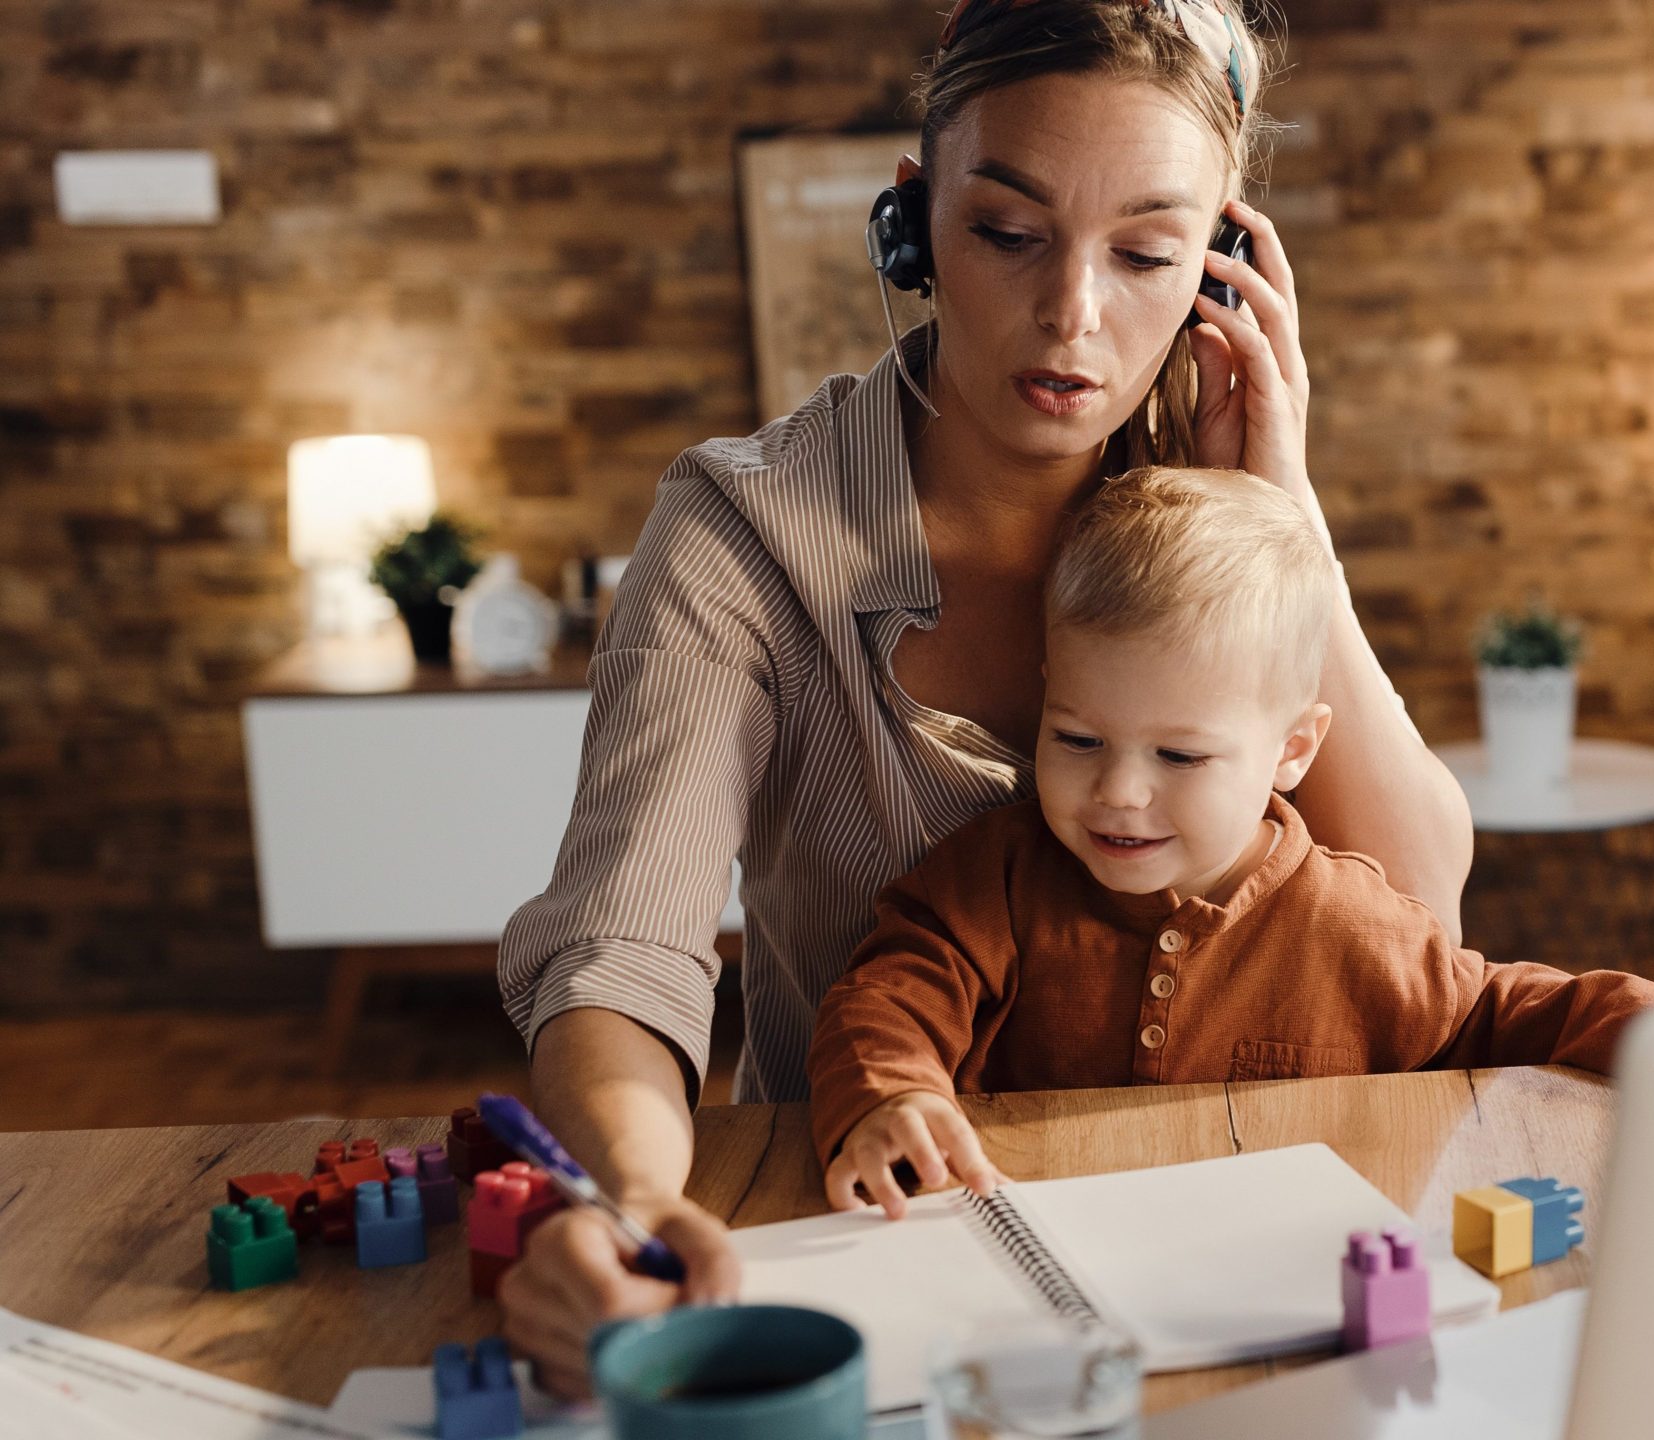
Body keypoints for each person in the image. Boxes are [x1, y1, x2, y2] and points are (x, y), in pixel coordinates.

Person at [491, 0, 1475, 1398]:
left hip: (1226, 1251)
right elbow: (622, 952)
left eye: (1145, 251)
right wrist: (637, 1197)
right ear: (915, 223)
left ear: (1220, 266)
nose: (1074, 314)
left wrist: (1285, 505)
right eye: (1009, 233)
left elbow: (1419, 901)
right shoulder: (741, 534)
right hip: (870, 1244)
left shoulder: (1219, 520)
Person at [809, 468, 1654, 1216]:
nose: (1118, 791)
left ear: (1293, 749)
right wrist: (894, 1097)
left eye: (1179, 754)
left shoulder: (1355, 927)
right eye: (1077, 738)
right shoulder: (993, 879)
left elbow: (1502, 1014)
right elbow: (884, 998)